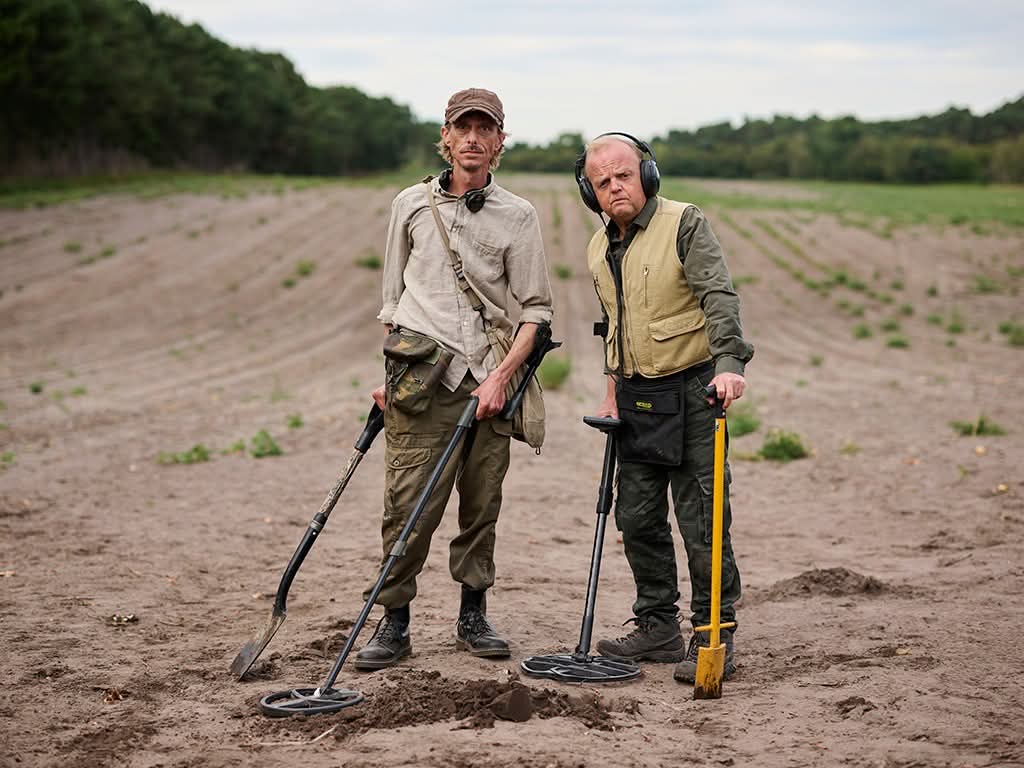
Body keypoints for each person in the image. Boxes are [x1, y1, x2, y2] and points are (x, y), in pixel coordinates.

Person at [355, 88, 554, 670]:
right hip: (419, 385)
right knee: (406, 507)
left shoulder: (518, 216)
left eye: (483, 129)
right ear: (445, 137)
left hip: (488, 384)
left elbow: (536, 313)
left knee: (480, 506)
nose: (472, 138)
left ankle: (473, 614)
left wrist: (500, 380)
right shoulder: (410, 206)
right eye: (462, 128)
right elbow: (392, 305)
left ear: (499, 142)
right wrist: (389, 378)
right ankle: (393, 624)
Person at [578, 133, 753, 683]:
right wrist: (610, 393)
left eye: (623, 175)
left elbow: (718, 295)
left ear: (646, 174)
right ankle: (657, 625)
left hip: (696, 392)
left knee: (702, 520)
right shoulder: (597, 248)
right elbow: (615, 327)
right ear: (590, 191)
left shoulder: (684, 223)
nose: (615, 187)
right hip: (636, 400)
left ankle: (712, 633)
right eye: (602, 181)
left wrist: (729, 363)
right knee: (638, 519)